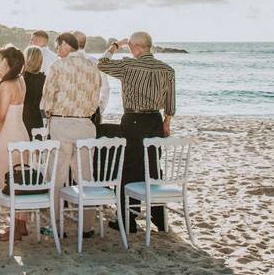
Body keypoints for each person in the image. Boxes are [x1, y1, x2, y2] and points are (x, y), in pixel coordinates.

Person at [99, 31, 175, 234]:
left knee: (127, 169)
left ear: (138, 47)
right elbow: (170, 101)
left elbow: (102, 63)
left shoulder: (128, 65)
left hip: (133, 119)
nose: (129, 49)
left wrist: (115, 45)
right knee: (152, 168)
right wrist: (167, 121)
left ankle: (128, 220)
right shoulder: (166, 69)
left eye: (131, 46)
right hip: (155, 121)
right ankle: (159, 218)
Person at [41, 32, 102, 237]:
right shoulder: (93, 67)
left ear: (66, 44)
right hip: (86, 124)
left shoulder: (58, 66)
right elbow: (97, 98)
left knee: (57, 175)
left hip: (62, 123)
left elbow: (47, 98)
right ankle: (87, 226)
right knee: (85, 175)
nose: (57, 49)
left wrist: (49, 111)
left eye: (58, 45)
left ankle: (57, 225)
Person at [0, 46, 30, 241]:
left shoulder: (6, 85)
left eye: (0, 60)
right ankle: (21, 224)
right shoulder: (20, 80)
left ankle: (13, 229)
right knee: (20, 177)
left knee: (8, 179)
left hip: (8, 135)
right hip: (22, 132)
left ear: (6, 62)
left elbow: (1, 117)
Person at [74, 30, 111, 125]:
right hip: (92, 112)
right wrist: (100, 109)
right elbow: (105, 89)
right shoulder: (95, 62)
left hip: (68, 114)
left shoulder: (62, 62)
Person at [21, 46, 46, 137]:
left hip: (22, 118)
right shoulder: (44, 79)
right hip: (37, 118)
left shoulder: (21, 79)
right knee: (37, 149)